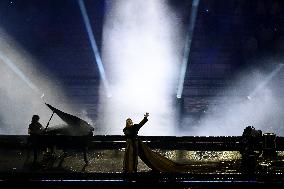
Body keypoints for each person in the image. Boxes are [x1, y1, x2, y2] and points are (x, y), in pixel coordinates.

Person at [123, 112, 192, 173]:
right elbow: (128, 134)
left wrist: (145, 118)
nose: (129, 122)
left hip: (136, 144)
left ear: (131, 122)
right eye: (128, 121)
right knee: (130, 157)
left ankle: (133, 169)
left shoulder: (135, 127)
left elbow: (141, 124)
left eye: (130, 121)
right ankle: (130, 169)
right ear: (126, 123)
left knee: (138, 156)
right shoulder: (126, 129)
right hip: (131, 145)